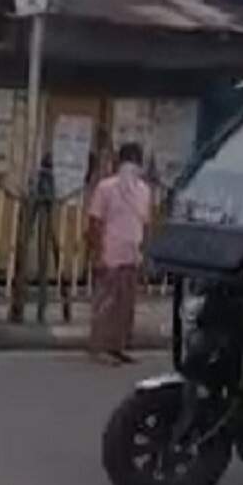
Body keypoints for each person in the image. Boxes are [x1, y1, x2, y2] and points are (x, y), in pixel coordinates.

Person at [87, 142, 152, 365]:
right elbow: (95, 222)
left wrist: (144, 251)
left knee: (126, 305)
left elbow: (144, 224)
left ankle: (118, 346)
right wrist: (97, 253)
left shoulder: (143, 191)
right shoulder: (106, 188)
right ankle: (100, 347)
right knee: (107, 303)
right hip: (111, 252)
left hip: (132, 252)